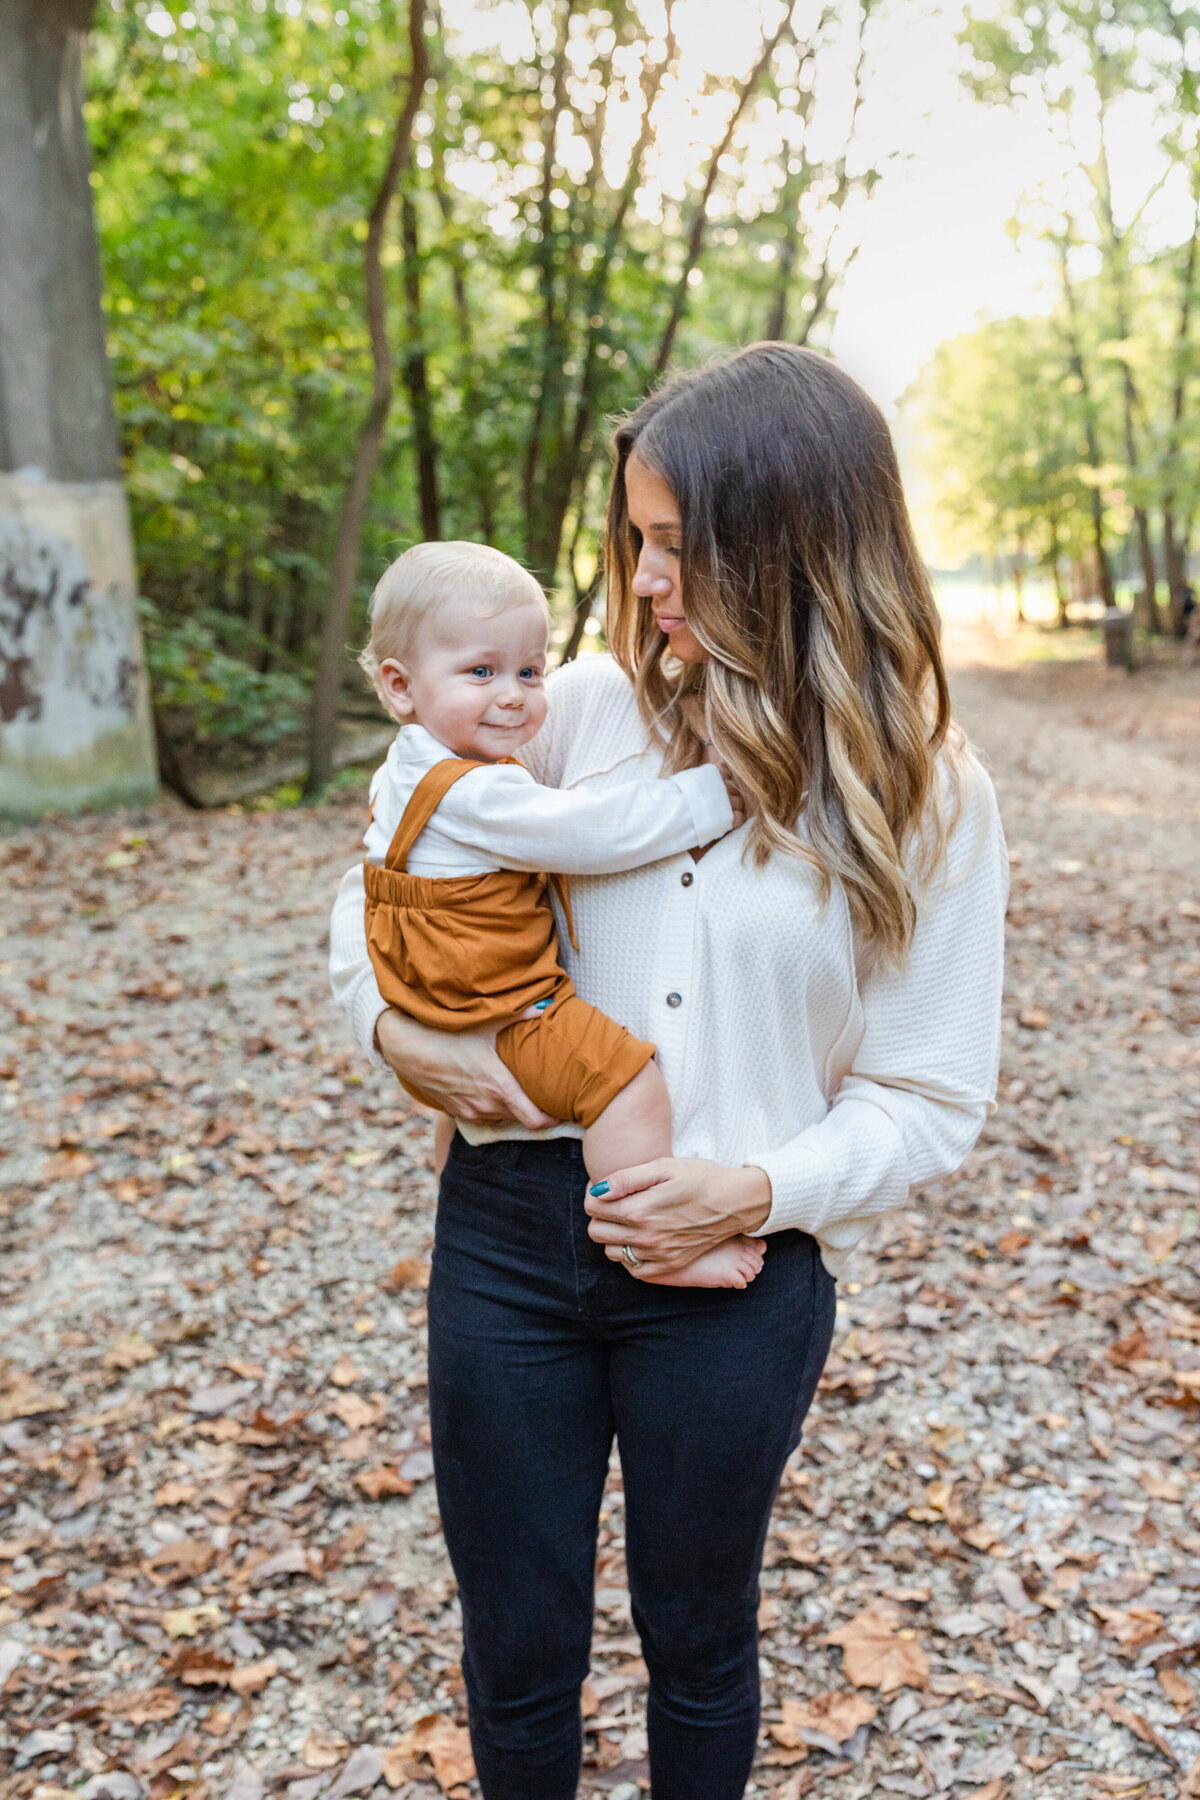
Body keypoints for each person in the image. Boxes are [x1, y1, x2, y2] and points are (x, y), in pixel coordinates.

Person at [329, 343, 1009, 1800]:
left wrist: (755, 1186)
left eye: (675, 548)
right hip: (509, 1244)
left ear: (794, 544)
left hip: (737, 1278)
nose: (641, 582)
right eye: (636, 541)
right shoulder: (574, 711)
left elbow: (933, 1093)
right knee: (517, 1652)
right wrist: (400, 1039)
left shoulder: (927, 787)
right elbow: (387, 876)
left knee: (700, 1642)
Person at [357, 538, 762, 1288]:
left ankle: (455, 1174)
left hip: (435, 993)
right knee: (625, 1083)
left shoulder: (407, 770)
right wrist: (706, 798)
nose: (512, 693)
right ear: (400, 685)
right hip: (505, 1004)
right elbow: (589, 831)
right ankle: (643, 1240)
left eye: (529, 671)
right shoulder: (479, 792)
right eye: (481, 672)